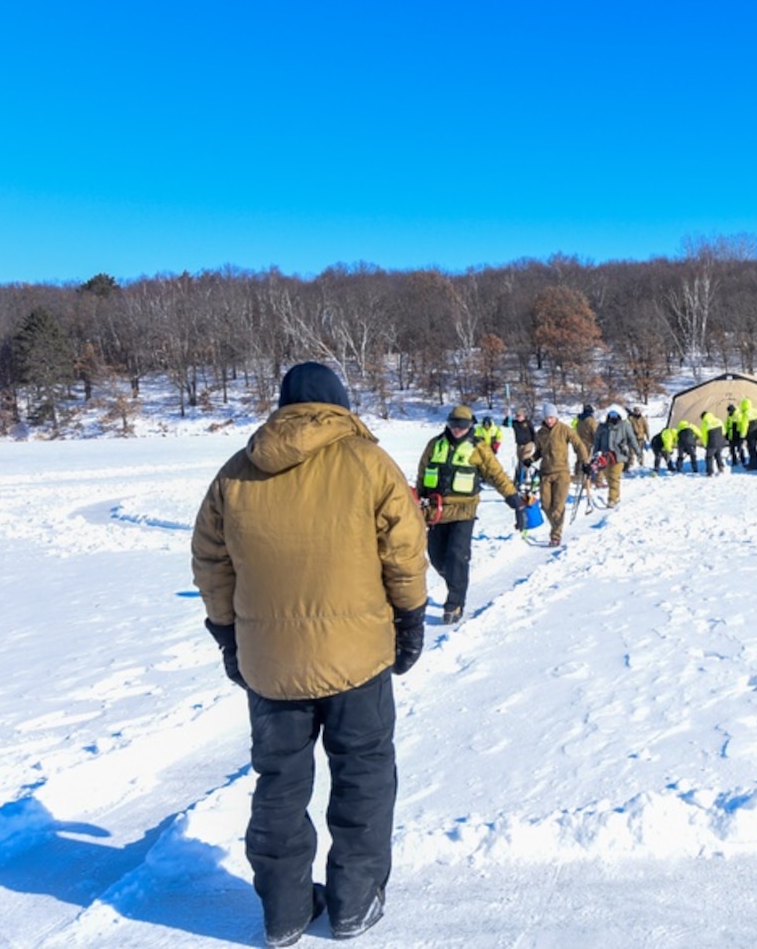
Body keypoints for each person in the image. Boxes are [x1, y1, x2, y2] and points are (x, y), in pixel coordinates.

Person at [191, 361, 427, 946]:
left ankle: (285, 911)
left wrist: (227, 633)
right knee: (365, 772)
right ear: (340, 403)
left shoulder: (236, 472)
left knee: (280, 782)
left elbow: (210, 562)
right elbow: (404, 549)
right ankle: (353, 901)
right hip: (358, 659)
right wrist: (411, 619)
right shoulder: (368, 461)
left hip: (271, 665)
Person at [416, 405, 521, 623]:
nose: (457, 430)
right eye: (453, 425)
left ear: (470, 426)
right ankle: (456, 580)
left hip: (464, 510)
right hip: (436, 510)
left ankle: (454, 603)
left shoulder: (479, 448)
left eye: (462, 426)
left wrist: (515, 501)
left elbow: (497, 475)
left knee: (456, 555)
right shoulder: (435, 445)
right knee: (436, 557)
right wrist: (417, 499)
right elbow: (422, 472)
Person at [534, 402, 589, 545]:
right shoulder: (540, 433)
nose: (549, 420)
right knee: (546, 505)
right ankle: (555, 526)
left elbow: (579, 445)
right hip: (545, 473)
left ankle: (556, 535)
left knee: (557, 506)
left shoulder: (565, 430)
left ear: (556, 417)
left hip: (562, 473)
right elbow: (539, 452)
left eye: (552, 417)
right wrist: (530, 459)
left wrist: (584, 462)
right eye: (547, 418)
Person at [591, 407, 642, 506]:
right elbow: (597, 441)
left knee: (614, 477)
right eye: (611, 416)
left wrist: (638, 452)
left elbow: (632, 439)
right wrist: (595, 454)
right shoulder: (602, 427)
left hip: (619, 455)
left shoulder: (625, 426)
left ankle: (612, 499)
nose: (613, 418)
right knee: (609, 477)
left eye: (615, 416)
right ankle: (616, 495)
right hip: (604, 456)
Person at [504, 408, 537, 486]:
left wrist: (536, 443)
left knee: (525, 458)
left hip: (528, 444)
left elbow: (533, 432)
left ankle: (525, 476)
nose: (518, 417)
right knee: (520, 461)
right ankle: (519, 477)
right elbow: (505, 424)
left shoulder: (528, 423)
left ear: (523, 416)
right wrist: (508, 416)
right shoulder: (515, 423)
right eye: (517, 416)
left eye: (520, 416)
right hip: (519, 445)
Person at [739, 397, 757, 471]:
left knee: (751, 449)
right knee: (754, 448)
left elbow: (744, 426)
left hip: (750, 433)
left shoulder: (746, 414)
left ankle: (753, 465)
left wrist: (742, 435)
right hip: (756, 432)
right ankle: (754, 463)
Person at [699, 408, 728, 476]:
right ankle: (721, 468)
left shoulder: (705, 423)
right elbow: (724, 431)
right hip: (720, 441)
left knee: (709, 456)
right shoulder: (718, 420)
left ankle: (710, 472)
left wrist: (705, 444)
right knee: (718, 454)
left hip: (712, 442)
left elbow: (704, 435)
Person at [724, 404, 744, 470]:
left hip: (737, 435)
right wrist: (726, 433)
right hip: (731, 435)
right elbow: (727, 425)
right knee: (732, 449)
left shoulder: (738, 415)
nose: (729, 412)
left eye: (729, 411)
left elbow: (741, 425)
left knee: (739, 448)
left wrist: (742, 435)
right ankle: (734, 461)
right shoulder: (729, 416)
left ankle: (742, 460)